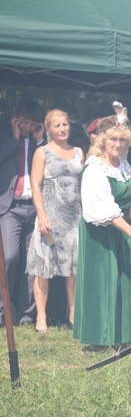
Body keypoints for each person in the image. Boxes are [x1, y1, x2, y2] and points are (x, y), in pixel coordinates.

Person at [74, 110, 131, 350]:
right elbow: (106, 210)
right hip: (102, 234)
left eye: (122, 139)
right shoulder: (94, 168)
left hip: (123, 229)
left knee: (129, 281)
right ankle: (104, 338)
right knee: (106, 281)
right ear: (102, 141)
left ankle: (129, 337)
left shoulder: (123, 165)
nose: (117, 144)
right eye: (112, 139)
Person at [25, 109, 84, 332]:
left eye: (65, 124)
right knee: (44, 266)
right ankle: (41, 317)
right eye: (57, 125)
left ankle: (73, 314)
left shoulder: (79, 152)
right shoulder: (42, 152)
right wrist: (41, 215)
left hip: (73, 217)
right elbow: (35, 185)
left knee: (73, 267)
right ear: (48, 129)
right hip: (49, 218)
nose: (62, 129)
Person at [0, 100, 45, 327]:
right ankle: (2, 311)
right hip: (10, 207)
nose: (27, 127)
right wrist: (15, 138)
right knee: (9, 257)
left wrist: (40, 141)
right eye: (24, 122)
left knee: (32, 263)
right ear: (16, 118)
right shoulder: (5, 136)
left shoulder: (40, 144)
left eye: (32, 124)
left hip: (35, 208)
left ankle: (27, 316)